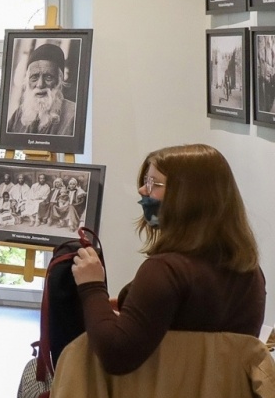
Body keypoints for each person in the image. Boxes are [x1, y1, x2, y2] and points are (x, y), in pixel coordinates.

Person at [71, 144, 264, 376]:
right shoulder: (251, 272)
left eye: (154, 184)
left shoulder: (165, 271)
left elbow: (116, 356)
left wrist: (91, 286)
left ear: (187, 197)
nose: (143, 190)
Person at [6, 43, 78, 137]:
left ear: (59, 80)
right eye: (34, 77)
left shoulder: (73, 115)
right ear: (27, 81)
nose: (40, 85)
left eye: (48, 77)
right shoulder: (18, 115)